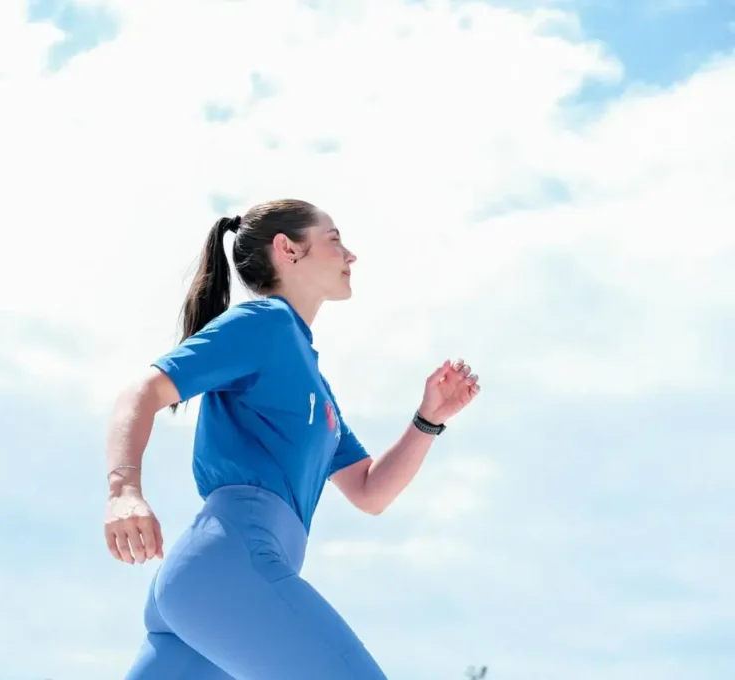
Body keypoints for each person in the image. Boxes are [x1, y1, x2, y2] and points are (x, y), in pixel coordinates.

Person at [104, 199, 481, 679]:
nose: (351, 255)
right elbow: (143, 390)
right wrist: (124, 491)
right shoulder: (264, 324)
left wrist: (428, 419)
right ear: (288, 249)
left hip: (211, 586)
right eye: (334, 239)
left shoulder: (315, 385)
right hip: (228, 567)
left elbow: (369, 491)